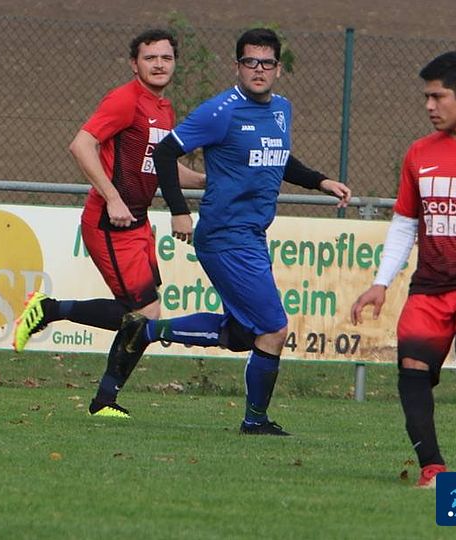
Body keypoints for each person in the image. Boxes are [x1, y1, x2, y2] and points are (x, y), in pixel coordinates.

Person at [114, 28, 351, 435]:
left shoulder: (282, 109)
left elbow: (279, 157)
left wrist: (320, 181)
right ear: (237, 66)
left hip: (252, 235)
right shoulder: (220, 111)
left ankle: (147, 329)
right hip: (225, 236)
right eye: (250, 62)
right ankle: (254, 422)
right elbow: (165, 151)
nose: (259, 70)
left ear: (279, 68)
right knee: (273, 328)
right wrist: (179, 211)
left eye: (267, 63)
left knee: (241, 333)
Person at [11, 28, 206, 418]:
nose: (159, 64)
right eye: (150, 58)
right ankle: (51, 313)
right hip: (109, 222)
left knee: (144, 315)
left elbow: (159, 166)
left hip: (138, 223)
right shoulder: (124, 100)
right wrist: (113, 198)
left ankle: (103, 399)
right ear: (135, 64)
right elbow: (81, 144)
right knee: (143, 314)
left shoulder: (163, 108)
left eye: (166, 58)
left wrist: (204, 181)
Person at [350, 51, 456, 487]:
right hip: (429, 286)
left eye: (438, 97)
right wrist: (381, 282)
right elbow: (405, 222)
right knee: (413, 364)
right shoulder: (419, 153)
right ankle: (432, 471)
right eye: (426, 97)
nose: (429, 106)